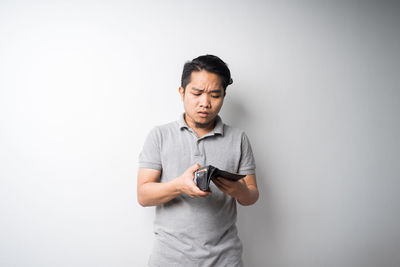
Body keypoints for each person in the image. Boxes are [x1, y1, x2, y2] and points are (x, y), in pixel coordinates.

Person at [137, 54, 259, 267]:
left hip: (225, 259)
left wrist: (237, 190)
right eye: (197, 93)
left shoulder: (238, 139)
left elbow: (251, 195)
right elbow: (143, 196)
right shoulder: (159, 135)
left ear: (224, 96)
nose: (205, 103)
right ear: (182, 92)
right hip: (169, 259)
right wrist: (179, 186)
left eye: (214, 95)